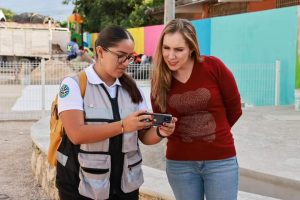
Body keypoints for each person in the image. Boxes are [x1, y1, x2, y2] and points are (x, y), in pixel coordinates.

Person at [56, 25, 177, 200]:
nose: (126, 63)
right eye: (120, 56)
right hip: (82, 185)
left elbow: (144, 136)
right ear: (100, 52)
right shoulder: (74, 85)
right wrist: (122, 126)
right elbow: (76, 134)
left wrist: (160, 132)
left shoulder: (133, 89)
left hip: (125, 186)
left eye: (129, 57)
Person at [151, 18, 242, 200]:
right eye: (166, 48)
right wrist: (164, 130)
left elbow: (235, 109)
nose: (171, 56)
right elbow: (160, 120)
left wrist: (216, 132)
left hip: (220, 161)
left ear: (192, 48)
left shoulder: (214, 67)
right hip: (180, 165)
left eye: (179, 49)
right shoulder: (159, 79)